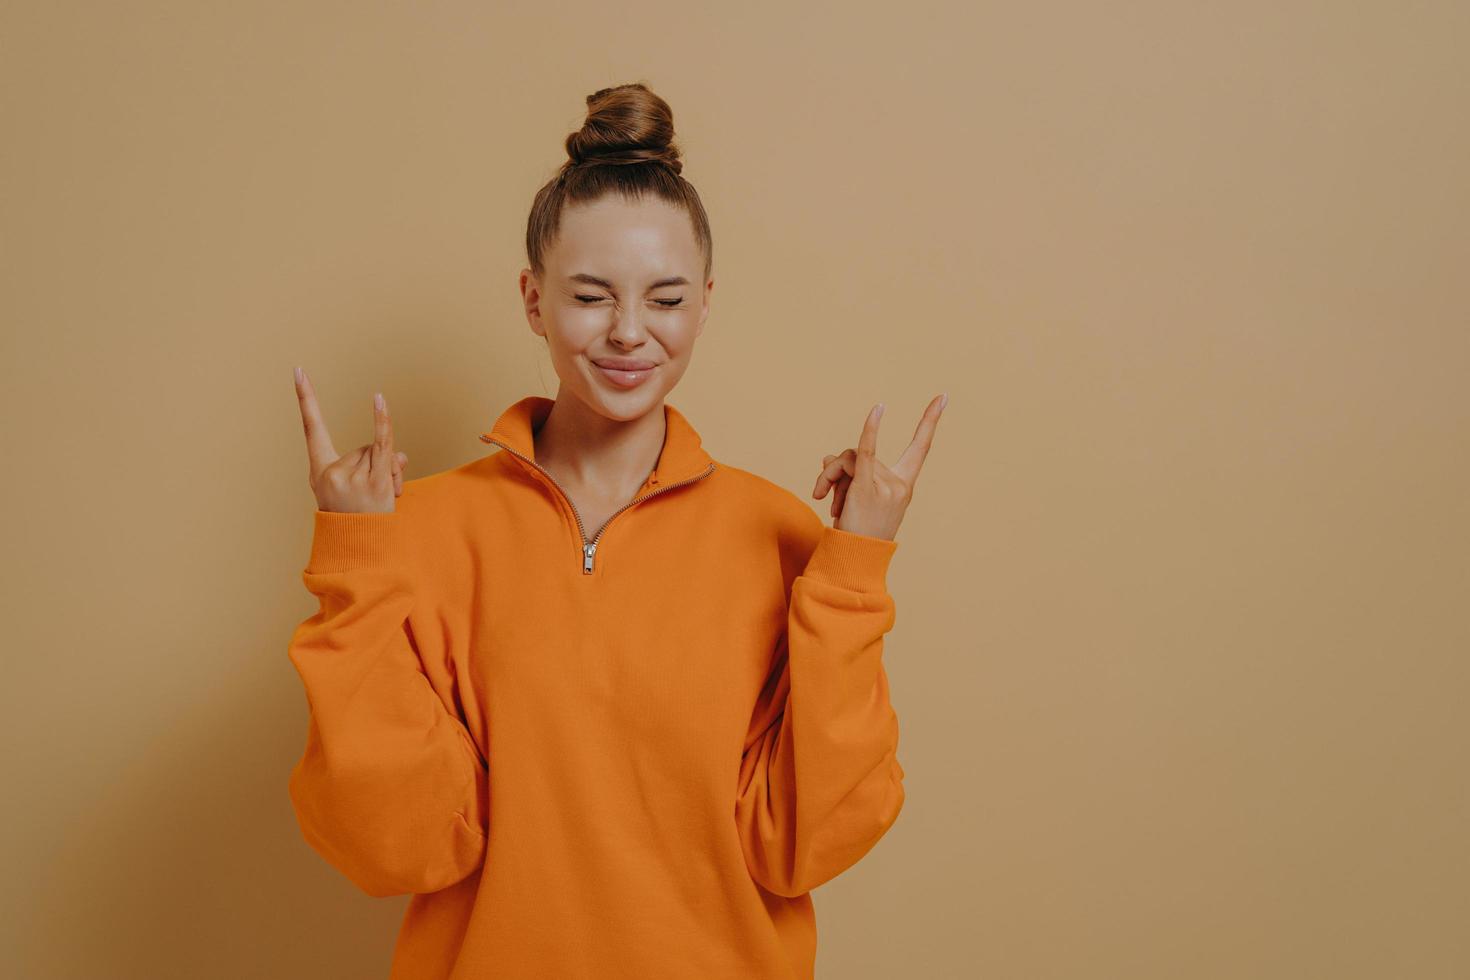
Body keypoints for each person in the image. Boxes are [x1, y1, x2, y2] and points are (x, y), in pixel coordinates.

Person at [284, 81, 946, 980]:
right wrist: (357, 567)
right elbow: (394, 847)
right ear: (532, 299)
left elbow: (804, 842)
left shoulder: (781, 538)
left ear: (705, 304)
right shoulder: (424, 531)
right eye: (591, 296)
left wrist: (856, 566)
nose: (630, 334)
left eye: (666, 300)